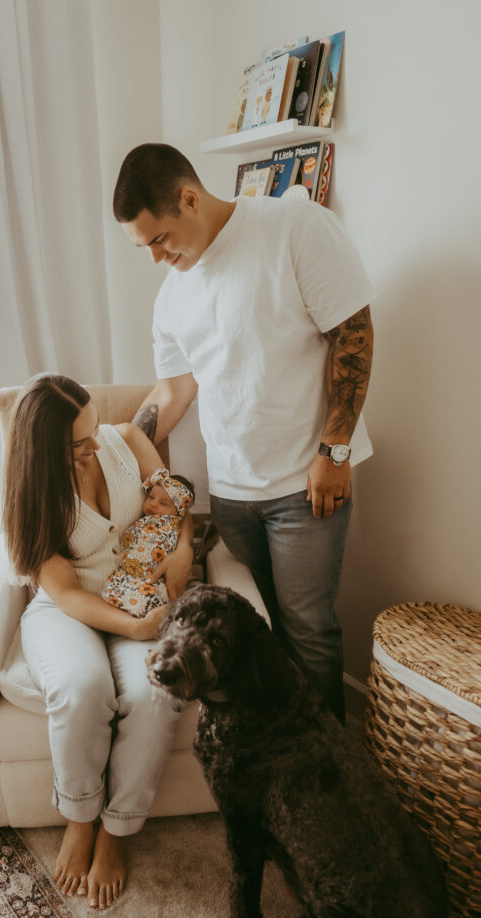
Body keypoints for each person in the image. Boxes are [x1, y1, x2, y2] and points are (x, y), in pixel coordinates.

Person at [112, 143, 375, 724]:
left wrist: (335, 450)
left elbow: (353, 334)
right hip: (231, 491)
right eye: (144, 247)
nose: (156, 257)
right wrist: (112, 446)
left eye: (159, 239)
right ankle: (278, 753)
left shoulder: (292, 225)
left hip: (305, 484)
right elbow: (173, 393)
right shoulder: (171, 296)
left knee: (308, 630)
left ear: (188, 198)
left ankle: (324, 768)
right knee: (263, 628)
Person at [2, 374, 193, 908]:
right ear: (43, 452)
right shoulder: (31, 494)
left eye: (92, 430)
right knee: (83, 688)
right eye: (78, 443)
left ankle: (116, 828)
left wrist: (181, 551)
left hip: (141, 596)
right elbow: (62, 590)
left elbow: (174, 507)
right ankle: (80, 818)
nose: (94, 445)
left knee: (156, 690)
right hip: (71, 610)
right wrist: (131, 629)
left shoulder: (126, 439)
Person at [103, 468, 195, 618]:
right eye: (151, 497)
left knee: (149, 591)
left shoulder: (170, 524)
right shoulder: (144, 519)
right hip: (128, 567)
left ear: (178, 513)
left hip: (150, 572)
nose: (153, 504)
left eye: (163, 503)